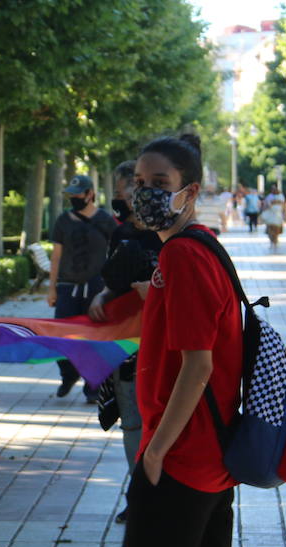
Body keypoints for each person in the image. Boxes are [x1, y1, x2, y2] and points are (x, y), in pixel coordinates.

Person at [119, 132, 276, 547]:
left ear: (188, 187)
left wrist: (153, 448)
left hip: (182, 453)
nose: (143, 190)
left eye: (160, 179)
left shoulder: (182, 257)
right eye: (138, 179)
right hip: (213, 451)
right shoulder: (201, 245)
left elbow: (198, 364)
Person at [90, 159, 163, 521]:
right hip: (127, 350)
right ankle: (140, 498)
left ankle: (161, 497)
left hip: (163, 347)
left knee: (161, 422)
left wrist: (156, 292)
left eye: (128, 192)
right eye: (120, 194)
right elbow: (113, 281)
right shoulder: (121, 234)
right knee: (132, 423)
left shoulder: (169, 234)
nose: (124, 200)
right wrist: (103, 296)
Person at [47, 174, 117, 399]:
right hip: (67, 286)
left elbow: (116, 255)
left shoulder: (106, 221)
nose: (74, 197)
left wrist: (111, 289)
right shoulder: (63, 221)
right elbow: (56, 256)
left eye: (78, 194)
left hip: (96, 288)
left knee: (94, 337)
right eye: (71, 194)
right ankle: (68, 375)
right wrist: (52, 288)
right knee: (62, 336)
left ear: (90, 194)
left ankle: (92, 385)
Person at [262, 186, 285, 252]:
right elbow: (266, 205)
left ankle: (275, 242)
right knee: (270, 231)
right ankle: (272, 242)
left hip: (277, 217)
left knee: (276, 231)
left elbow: (282, 205)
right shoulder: (269, 196)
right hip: (271, 217)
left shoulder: (281, 196)